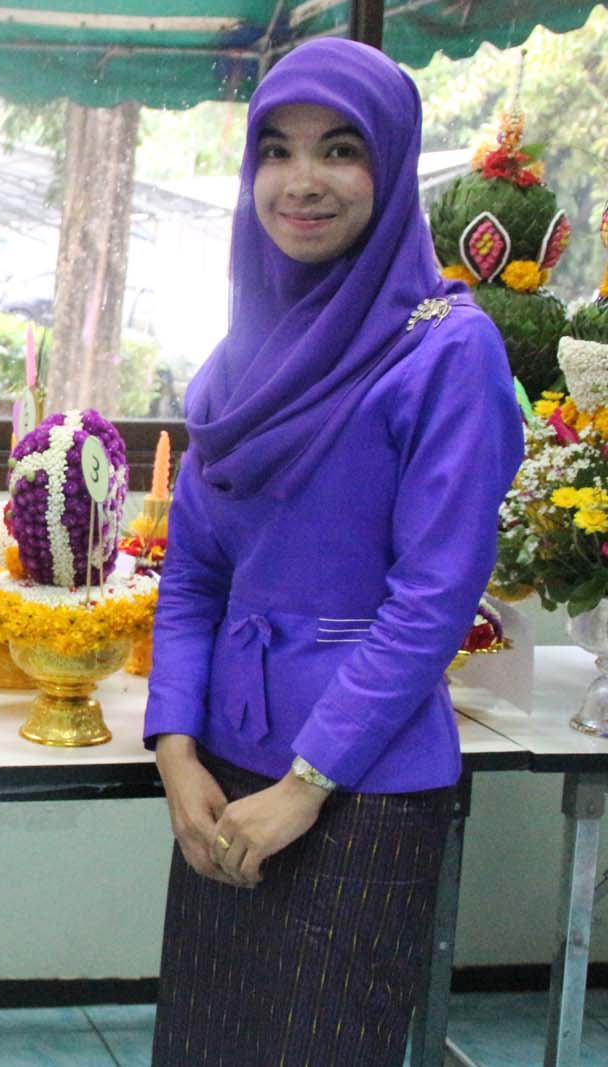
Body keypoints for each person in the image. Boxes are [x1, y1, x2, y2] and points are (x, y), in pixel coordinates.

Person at [142, 38, 523, 1066]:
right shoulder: (242, 357)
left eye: (340, 149)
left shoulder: (448, 350)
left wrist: (305, 786)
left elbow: (432, 597)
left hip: (361, 784)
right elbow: (195, 578)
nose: (301, 180)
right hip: (225, 766)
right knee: (205, 1045)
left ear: (391, 166)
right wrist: (177, 753)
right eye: (275, 149)